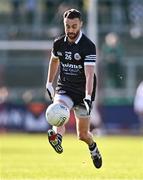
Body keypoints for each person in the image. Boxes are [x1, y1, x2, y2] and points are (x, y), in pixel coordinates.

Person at [46, 9, 102, 168]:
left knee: (83, 135)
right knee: (58, 112)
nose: (70, 30)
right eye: (67, 26)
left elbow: (90, 75)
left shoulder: (88, 46)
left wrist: (88, 96)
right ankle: (57, 138)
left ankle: (93, 148)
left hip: (84, 91)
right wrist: (49, 83)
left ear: (81, 25)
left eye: (74, 26)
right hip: (65, 87)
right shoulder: (58, 43)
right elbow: (54, 61)